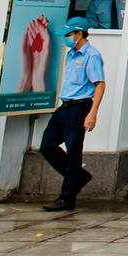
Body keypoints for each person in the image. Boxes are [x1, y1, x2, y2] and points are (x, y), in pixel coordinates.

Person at [40, 17, 105, 212]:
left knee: (74, 151)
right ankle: (79, 177)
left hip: (80, 107)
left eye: (69, 35)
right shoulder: (70, 54)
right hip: (65, 106)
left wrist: (92, 114)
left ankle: (67, 198)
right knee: (47, 145)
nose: (66, 39)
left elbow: (99, 84)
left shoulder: (92, 56)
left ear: (79, 34)